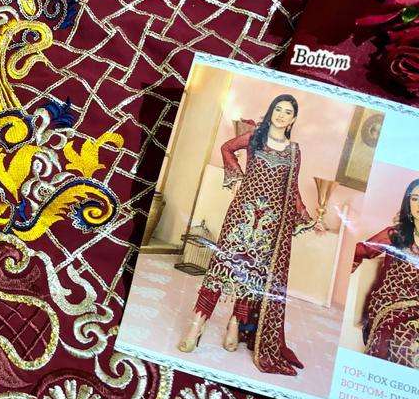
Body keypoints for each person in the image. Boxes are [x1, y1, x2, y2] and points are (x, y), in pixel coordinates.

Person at [178, 95, 325, 375]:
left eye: (288, 112)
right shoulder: (254, 137)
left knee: (252, 276)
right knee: (221, 268)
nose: (281, 115)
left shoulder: (294, 151)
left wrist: (308, 218)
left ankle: (235, 324)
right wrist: (236, 178)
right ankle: (197, 324)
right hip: (242, 214)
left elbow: (292, 189)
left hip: (270, 224)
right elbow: (226, 148)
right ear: (271, 112)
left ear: (293, 119)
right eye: (278, 109)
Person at [352, 179, 419, 369]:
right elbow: (360, 251)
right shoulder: (395, 234)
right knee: (407, 341)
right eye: (415, 198)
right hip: (389, 303)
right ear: (408, 204)